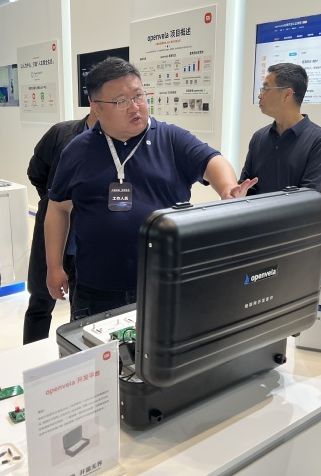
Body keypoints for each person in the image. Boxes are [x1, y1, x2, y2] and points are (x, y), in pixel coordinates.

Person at [45, 57, 256, 319]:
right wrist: (53, 266)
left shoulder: (170, 138)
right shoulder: (78, 150)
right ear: (97, 107)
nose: (135, 107)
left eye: (138, 96)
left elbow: (213, 161)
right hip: (97, 287)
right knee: (97, 346)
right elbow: (58, 209)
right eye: (121, 101)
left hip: (165, 282)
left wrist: (226, 189)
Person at [23, 108, 97, 343]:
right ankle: (32, 357)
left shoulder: (118, 142)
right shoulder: (61, 134)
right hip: (53, 237)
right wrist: (54, 202)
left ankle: (75, 358)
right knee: (40, 303)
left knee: (82, 311)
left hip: (87, 245)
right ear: (95, 103)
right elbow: (36, 172)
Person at [240, 62, 321, 194]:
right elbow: (245, 185)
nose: (260, 95)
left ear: (287, 94)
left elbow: (308, 196)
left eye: (266, 88)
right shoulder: (259, 137)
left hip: (292, 209)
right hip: (256, 208)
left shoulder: (319, 140)